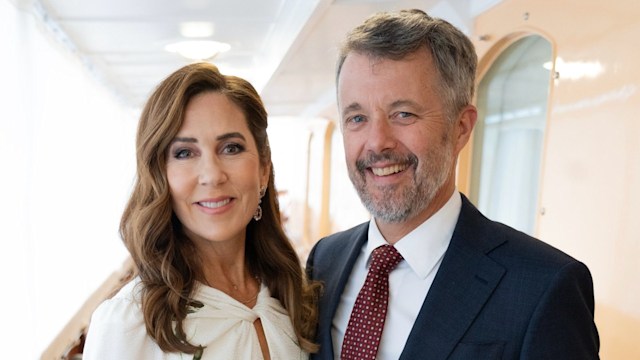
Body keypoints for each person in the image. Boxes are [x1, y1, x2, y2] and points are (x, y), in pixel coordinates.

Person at [306, 9, 599, 360]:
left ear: (461, 127)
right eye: (357, 118)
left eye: (404, 114)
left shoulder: (544, 285)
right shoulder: (325, 259)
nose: (376, 142)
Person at [83, 62, 318, 359]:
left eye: (231, 148)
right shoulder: (128, 322)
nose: (212, 175)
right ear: (160, 176)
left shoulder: (294, 293)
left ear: (263, 169)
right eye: (184, 153)